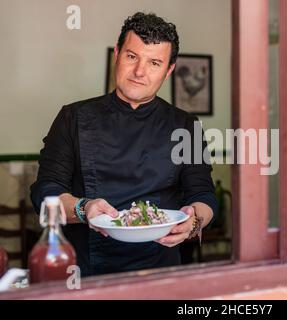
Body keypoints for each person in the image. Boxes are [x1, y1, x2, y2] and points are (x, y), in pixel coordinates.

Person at [30, 12, 217, 277]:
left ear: (169, 70)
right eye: (132, 56)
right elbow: (45, 193)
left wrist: (193, 221)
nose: (140, 72)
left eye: (154, 62)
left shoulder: (185, 125)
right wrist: (84, 209)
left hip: (159, 268)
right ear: (117, 54)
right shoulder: (73, 117)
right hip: (86, 269)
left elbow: (204, 196)